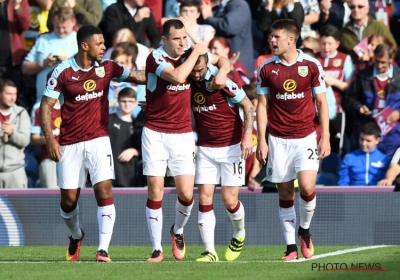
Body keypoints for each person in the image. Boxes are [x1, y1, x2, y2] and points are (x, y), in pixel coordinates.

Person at [39, 25, 146, 262]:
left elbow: (139, 76)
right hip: (69, 143)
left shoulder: (108, 68)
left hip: (99, 139)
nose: (104, 47)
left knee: (104, 190)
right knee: (68, 202)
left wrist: (170, 76)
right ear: (84, 45)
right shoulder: (63, 71)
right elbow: (45, 106)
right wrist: (50, 139)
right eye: (100, 43)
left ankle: (103, 249)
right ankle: (76, 235)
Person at [143, 19, 230, 262]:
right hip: (155, 133)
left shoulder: (190, 53)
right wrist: (198, 51)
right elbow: (180, 77)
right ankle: (156, 249)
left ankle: (178, 230)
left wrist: (221, 70)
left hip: (182, 134)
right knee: (155, 190)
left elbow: (224, 61)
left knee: (186, 195)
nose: (182, 43)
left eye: (184, 38)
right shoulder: (156, 58)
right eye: (176, 39)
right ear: (164, 40)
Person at [256, 19, 330, 261]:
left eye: (277, 36)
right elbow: (262, 105)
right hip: (277, 139)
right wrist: (262, 140)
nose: (272, 40)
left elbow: (321, 102)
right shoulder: (266, 68)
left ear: (291, 39)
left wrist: (325, 136)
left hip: (306, 136)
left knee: (307, 187)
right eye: (270, 36)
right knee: (285, 191)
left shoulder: (311, 64)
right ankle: (290, 247)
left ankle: (305, 230)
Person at [188, 53, 254, 262]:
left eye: (200, 70)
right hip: (206, 148)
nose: (197, 74)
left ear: (207, 64)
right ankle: (210, 251)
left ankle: (239, 232)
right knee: (205, 197)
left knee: (229, 200)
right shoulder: (186, 80)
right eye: (194, 70)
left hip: (231, 146)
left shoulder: (222, 81)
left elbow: (249, 106)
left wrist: (247, 137)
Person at [22, 6, 78, 104]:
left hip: (73, 103)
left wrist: (69, 62)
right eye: (57, 27)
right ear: (53, 21)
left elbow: (93, 70)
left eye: (64, 27)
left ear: (73, 22)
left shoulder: (82, 39)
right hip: (44, 102)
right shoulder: (42, 39)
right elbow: (25, 68)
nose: (61, 31)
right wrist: (43, 63)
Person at [0, 79, 31, 189]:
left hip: (15, 171)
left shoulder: (21, 113)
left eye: (15, 94)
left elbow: (25, 140)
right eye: (8, 94)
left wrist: (12, 133)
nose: (12, 97)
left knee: (19, 206)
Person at [108, 87, 142, 187]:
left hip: (129, 176)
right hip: (109, 173)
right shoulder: (108, 120)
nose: (127, 104)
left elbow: (144, 148)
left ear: (136, 103)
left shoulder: (138, 124)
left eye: (130, 101)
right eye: (124, 101)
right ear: (118, 101)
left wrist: (134, 151)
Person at [338, 122, 390, 186]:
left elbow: (387, 181)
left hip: (377, 194)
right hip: (353, 194)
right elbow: (343, 182)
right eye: (361, 139)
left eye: (368, 141)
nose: (363, 143)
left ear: (377, 140)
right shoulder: (349, 158)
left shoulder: (385, 159)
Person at [31, 99, 61, 189]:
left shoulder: (70, 104)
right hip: (49, 160)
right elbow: (34, 138)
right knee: (51, 199)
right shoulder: (38, 108)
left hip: (70, 159)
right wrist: (50, 139)